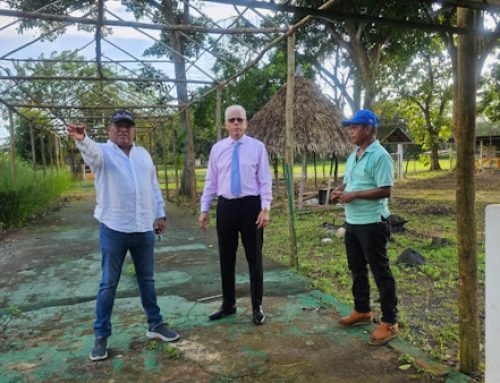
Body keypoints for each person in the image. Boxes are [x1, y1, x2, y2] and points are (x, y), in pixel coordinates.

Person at [68, 109, 179, 362]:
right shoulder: (103, 153)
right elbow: (90, 152)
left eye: (128, 126)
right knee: (109, 283)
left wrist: (160, 215)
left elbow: (153, 186)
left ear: (134, 130)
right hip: (114, 228)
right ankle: (101, 336)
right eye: (118, 126)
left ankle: (155, 324)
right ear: (109, 130)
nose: (123, 130)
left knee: (147, 280)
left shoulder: (143, 155)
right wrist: (82, 138)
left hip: (143, 228)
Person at [330, 109, 399, 346]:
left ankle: (390, 322)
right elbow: (349, 181)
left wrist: (356, 194)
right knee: (356, 268)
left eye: (355, 127)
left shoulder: (380, 156)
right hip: (353, 222)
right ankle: (362, 311)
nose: (351, 131)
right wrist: (340, 190)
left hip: (372, 223)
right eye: (350, 127)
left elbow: (385, 190)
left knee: (381, 271)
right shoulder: (354, 155)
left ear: (368, 129)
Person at [199, 105, 272, 325]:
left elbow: (265, 180)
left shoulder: (258, 148)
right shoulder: (217, 149)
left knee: (254, 258)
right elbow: (211, 181)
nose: (236, 124)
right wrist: (204, 209)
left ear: (246, 123)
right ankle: (228, 304)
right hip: (226, 207)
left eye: (240, 119)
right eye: (232, 120)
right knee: (226, 257)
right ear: (226, 124)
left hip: (251, 207)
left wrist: (265, 207)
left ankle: (257, 306)